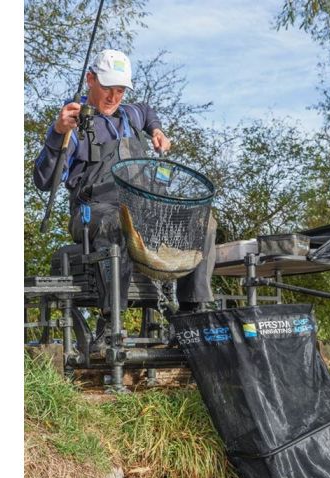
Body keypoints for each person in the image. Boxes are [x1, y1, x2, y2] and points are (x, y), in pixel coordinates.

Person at [33, 49, 216, 320]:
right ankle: (113, 319)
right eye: (107, 88)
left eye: (120, 90)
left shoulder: (131, 115)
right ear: (90, 80)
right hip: (94, 213)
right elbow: (44, 180)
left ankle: (193, 311)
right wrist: (58, 133)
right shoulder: (74, 124)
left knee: (203, 221)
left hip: (143, 211)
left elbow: (147, 111)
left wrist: (156, 130)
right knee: (119, 221)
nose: (113, 97)